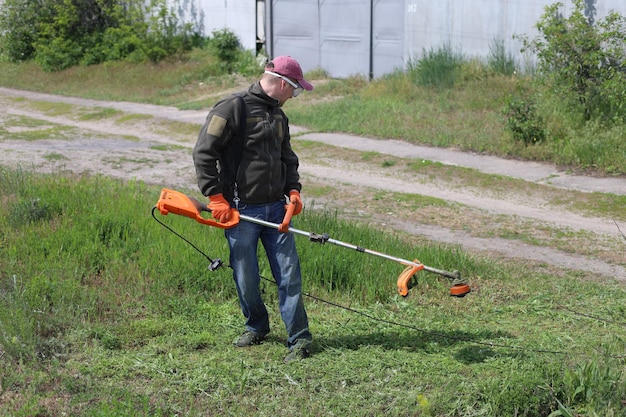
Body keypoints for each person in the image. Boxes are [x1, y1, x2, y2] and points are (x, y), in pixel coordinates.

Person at [192, 56, 314, 363]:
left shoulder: (279, 116)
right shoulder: (232, 108)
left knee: (289, 275)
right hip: (241, 211)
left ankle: (299, 338)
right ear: (282, 84)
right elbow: (204, 153)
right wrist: (216, 197)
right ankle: (257, 326)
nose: (293, 97)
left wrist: (294, 190)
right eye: (295, 90)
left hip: (277, 210)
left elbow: (287, 157)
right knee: (246, 276)